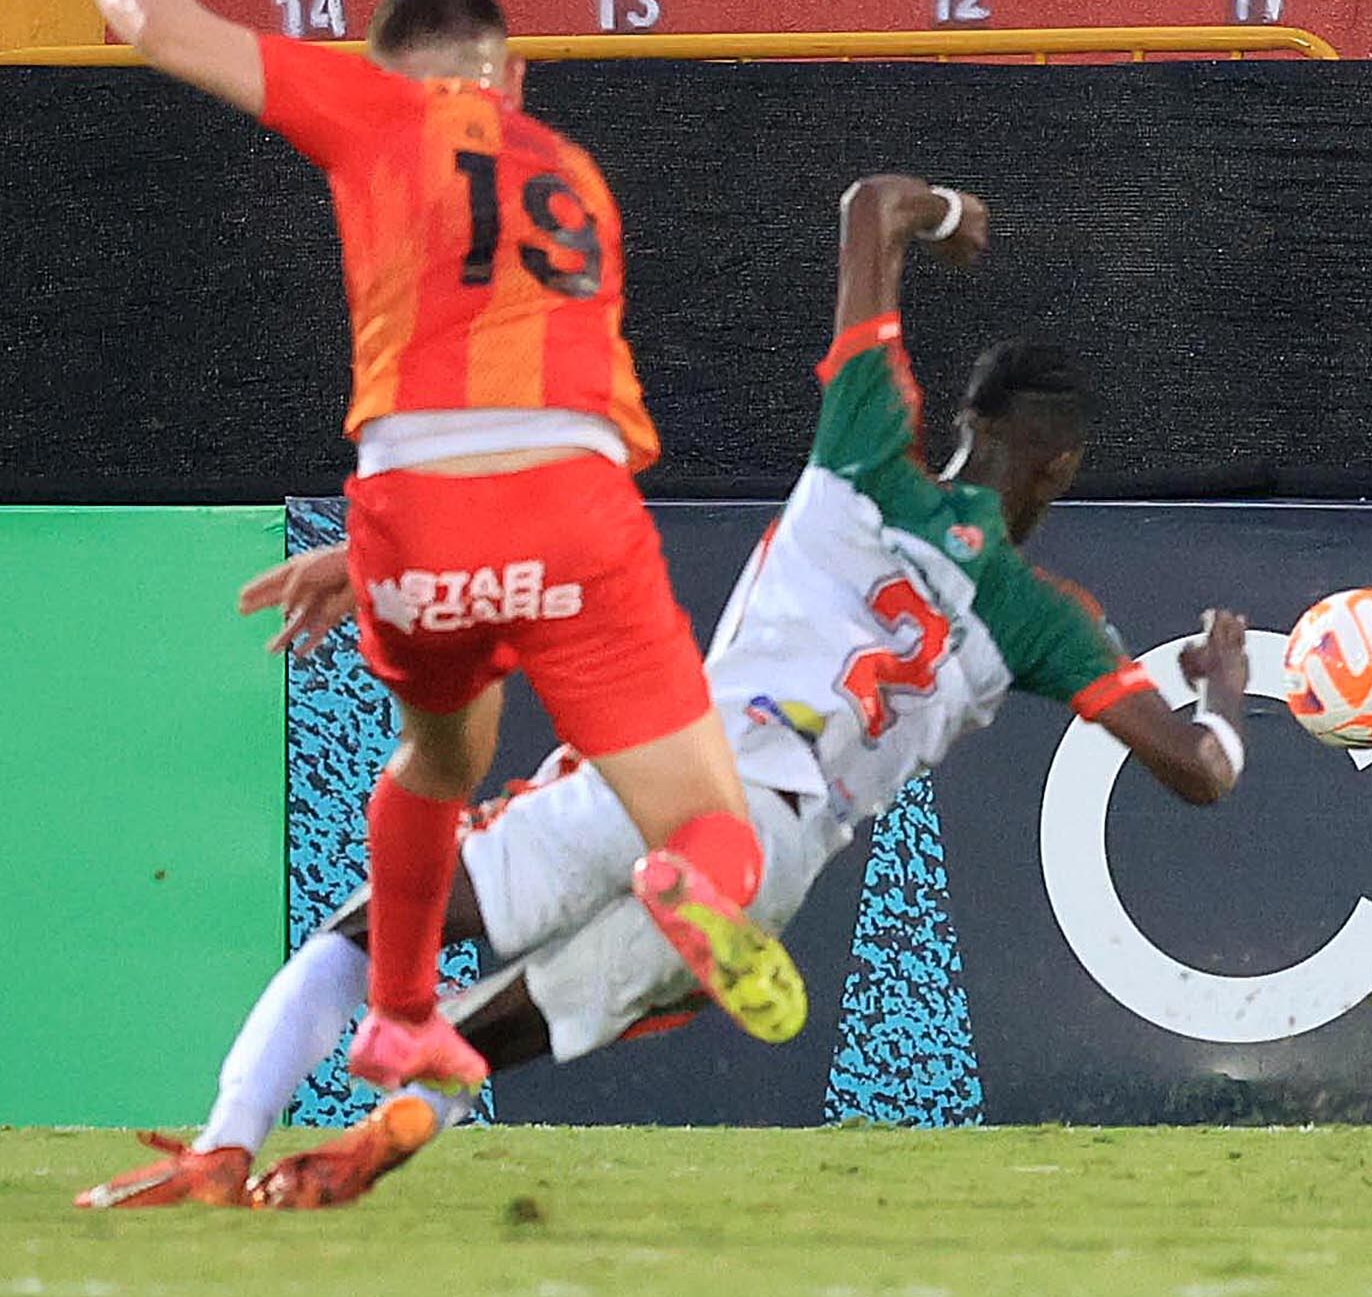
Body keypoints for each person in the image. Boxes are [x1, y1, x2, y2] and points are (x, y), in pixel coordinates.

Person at [78, 174, 1252, 1209]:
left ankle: (227, 1145)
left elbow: (869, 202)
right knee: (505, 1025)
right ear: (1060, 465)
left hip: (672, 764)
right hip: (783, 846)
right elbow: (1199, 773)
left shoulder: (863, 450)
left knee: (372, 936)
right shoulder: (1047, 619)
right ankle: (365, 1152)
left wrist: (945, 219)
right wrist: (1226, 694)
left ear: (967, 422)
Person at [36, 0, 792, 1106]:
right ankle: (682, 887)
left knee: (442, 760)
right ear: (514, 77)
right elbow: (533, 389)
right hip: (572, 505)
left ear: (383, 67)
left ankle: (395, 1017)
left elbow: (151, 24)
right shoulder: (576, 175)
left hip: (412, 513)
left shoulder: (375, 109)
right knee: (717, 831)